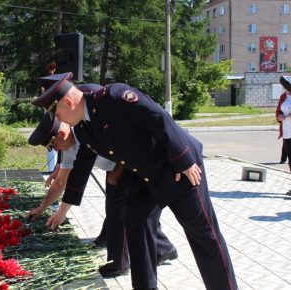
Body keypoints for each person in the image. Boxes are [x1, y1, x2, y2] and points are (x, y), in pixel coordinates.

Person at [30, 72, 238, 290]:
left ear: (68, 102)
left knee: (203, 235)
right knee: (136, 222)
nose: (59, 120)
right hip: (144, 175)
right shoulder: (83, 128)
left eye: (58, 113)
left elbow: (159, 118)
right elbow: (80, 167)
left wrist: (183, 161)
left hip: (177, 168)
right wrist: (62, 211)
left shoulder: (114, 97)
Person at [26, 111, 178, 278]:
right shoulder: (68, 145)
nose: (55, 150)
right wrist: (42, 208)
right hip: (114, 168)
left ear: (61, 134)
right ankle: (163, 249)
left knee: (118, 212)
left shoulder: (90, 125)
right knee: (123, 210)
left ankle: (118, 264)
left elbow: (128, 142)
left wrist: (119, 169)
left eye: (53, 146)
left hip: (132, 163)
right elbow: (62, 182)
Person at [276, 75, 291, 195]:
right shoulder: (283, 96)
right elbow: (278, 110)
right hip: (287, 131)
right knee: (290, 161)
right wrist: (279, 116)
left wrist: (287, 116)